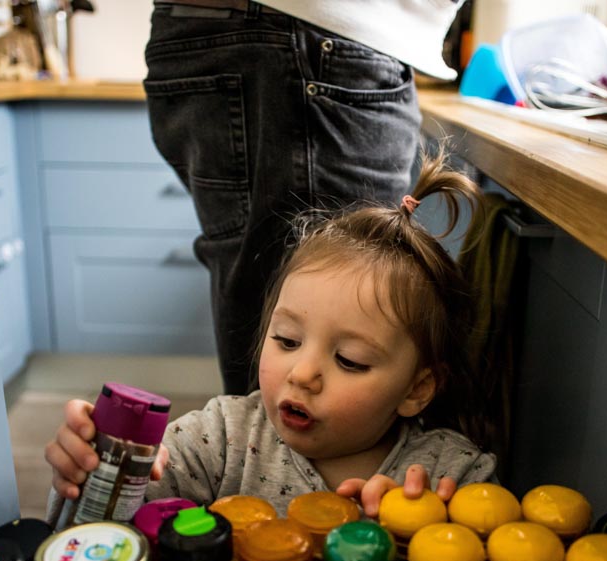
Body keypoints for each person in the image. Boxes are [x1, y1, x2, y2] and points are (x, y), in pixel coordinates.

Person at [45, 150, 495, 522]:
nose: (302, 374)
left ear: (416, 388)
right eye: (286, 340)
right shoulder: (221, 439)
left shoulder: (451, 476)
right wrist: (94, 468)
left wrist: (428, 530)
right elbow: (101, 529)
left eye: (350, 360)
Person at [143, 0, 470, 395]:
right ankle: (262, 455)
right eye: (351, 360)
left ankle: (255, 453)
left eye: (349, 360)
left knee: (270, 289)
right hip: (311, 36)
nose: (301, 375)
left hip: (240, 34)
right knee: (342, 304)